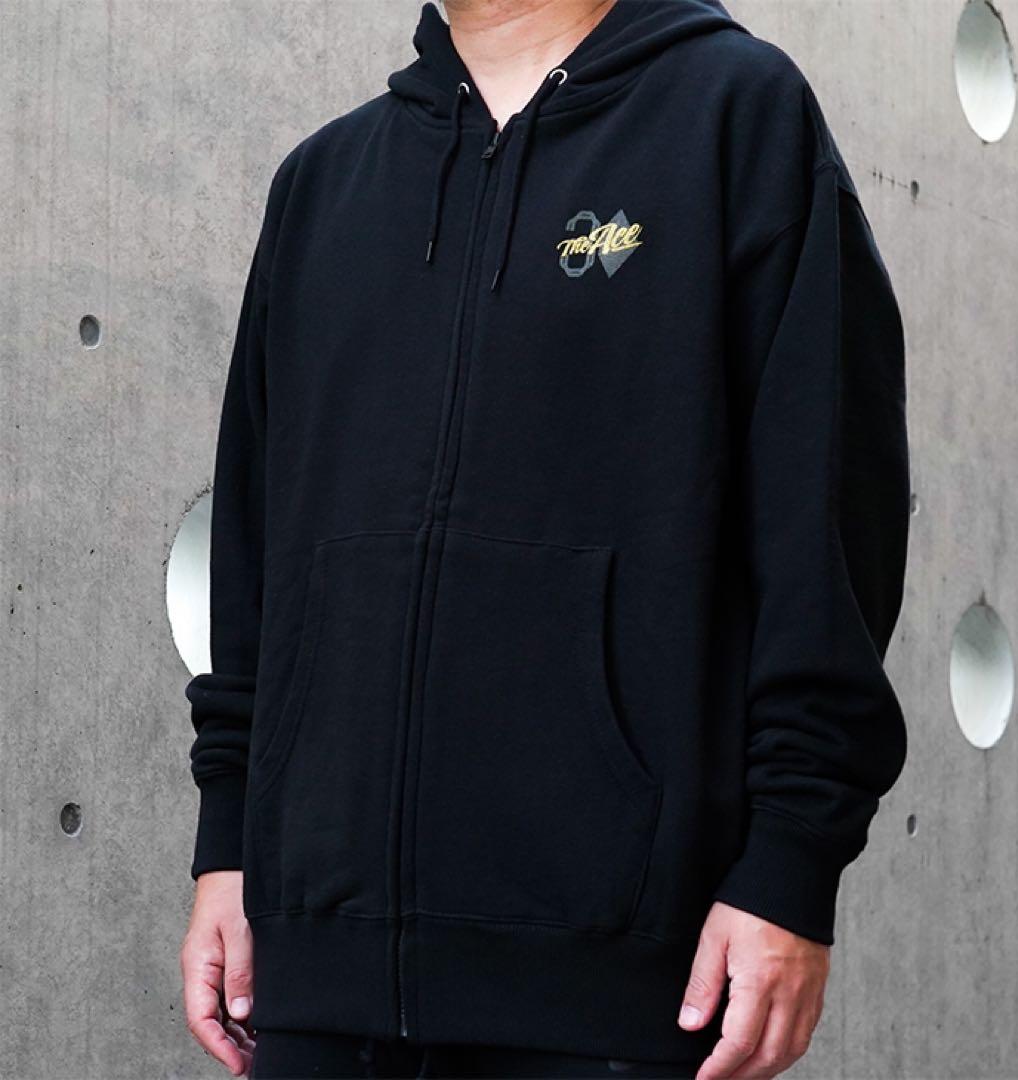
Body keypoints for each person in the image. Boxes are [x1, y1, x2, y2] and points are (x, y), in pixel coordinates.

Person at [179, 0, 911, 1077]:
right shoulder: (323, 182)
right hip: (316, 975)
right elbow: (255, 548)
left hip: (615, 982)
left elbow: (828, 524)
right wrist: (229, 846)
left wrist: (790, 864)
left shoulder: (737, 117)